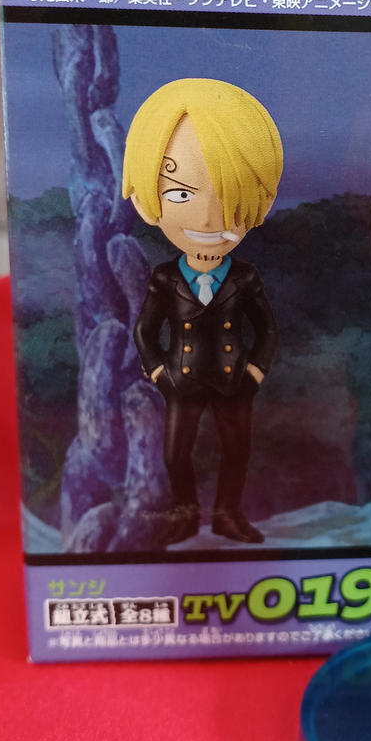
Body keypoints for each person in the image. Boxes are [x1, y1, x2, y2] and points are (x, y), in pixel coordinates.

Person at [122, 78, 283, 544]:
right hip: (182, 377)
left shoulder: (245, 277)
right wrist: (158, 371)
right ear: (147, 201)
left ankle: (228, 514)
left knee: (236, 450)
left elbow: (267, 329)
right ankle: (185, 513)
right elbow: (146, 330)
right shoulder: (165, 278)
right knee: (176, 453)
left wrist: (255, 370)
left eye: (229, 195)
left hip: (234, 379)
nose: (210, 218)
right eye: (180, 193)